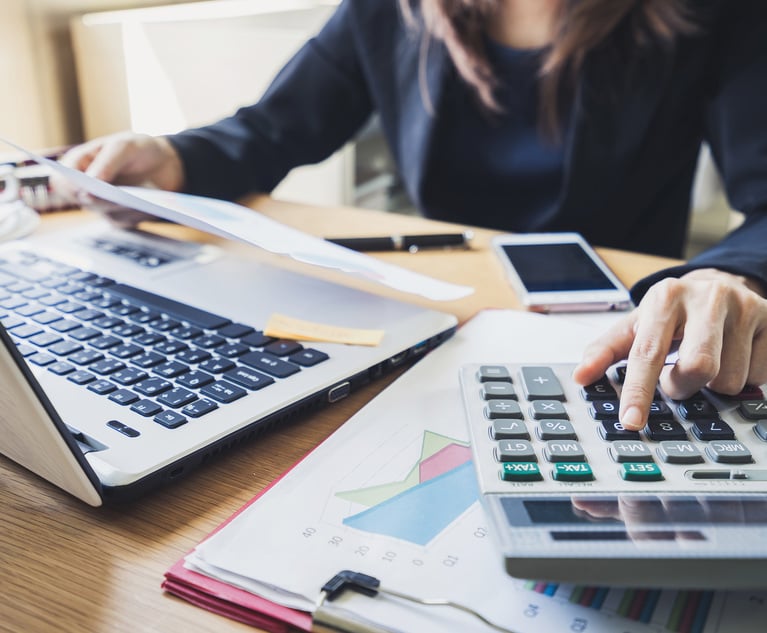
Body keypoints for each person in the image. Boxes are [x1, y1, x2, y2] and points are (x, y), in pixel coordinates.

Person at [60, 0, 767, 432]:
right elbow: (275, 129)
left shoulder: (716, 11)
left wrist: (726, 277)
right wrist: (170, 155)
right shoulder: (389, 7)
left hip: (612, 339)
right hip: (432, 326)